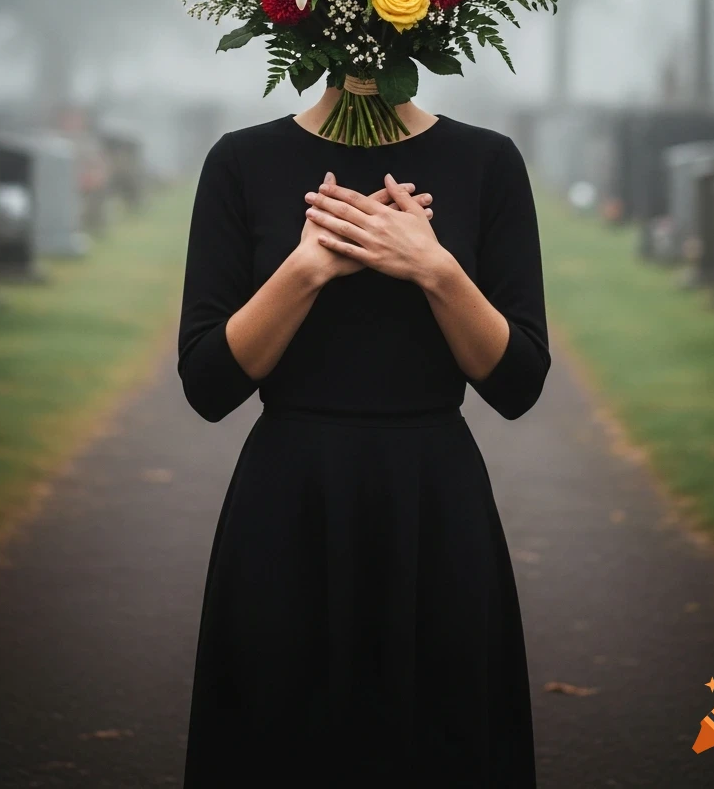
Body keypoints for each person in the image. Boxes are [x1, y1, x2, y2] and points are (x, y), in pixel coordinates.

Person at [177, 79, 551, 788]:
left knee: (439, 745)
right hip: (288, 507)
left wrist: (434, 268)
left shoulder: (487, 161)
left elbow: (517, 384)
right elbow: (209, 385)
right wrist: (307, 267)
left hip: (435, 509)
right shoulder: (241, 161)